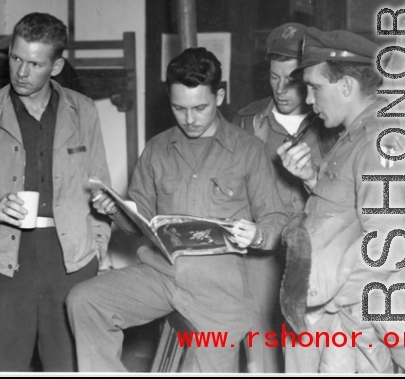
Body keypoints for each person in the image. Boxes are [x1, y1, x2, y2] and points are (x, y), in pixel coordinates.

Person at [67, 47, 288, 373]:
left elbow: (276, 219)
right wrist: (114, 210)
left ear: (220, 95)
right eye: (179, 108)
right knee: (84, 300)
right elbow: (136, 222)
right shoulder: (157, 149)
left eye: (200, 108)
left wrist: (259, 234)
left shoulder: (248, 150)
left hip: (218, 286)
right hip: (161, 273)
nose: (189, 119)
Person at [0, 12, 111, 372]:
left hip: (71, 262)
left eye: (34, 63)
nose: (20, 72)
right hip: (3, 262)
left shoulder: (83, 112)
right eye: (15, 58)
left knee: (67, 366)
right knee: (2, 366)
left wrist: (96, 248)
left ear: (56, 66)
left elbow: (100, 188)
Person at [277, 27, 405, 373]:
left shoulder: (379, 141)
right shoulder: (351, 136)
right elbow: (348, 215)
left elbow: (388, 244)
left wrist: (331, 301)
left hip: (346, 322)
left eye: (314, 88)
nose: (309, 100)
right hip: (321, 311)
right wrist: (311, 179)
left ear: (346, 86)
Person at [233, 22, 338, 373]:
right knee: (259, 352)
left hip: (315, 256)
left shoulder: (331, 121)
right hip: (260, 255)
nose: (281, 89)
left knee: (308, 351)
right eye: (274, 77)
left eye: (292, 79)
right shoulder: (246, 121)